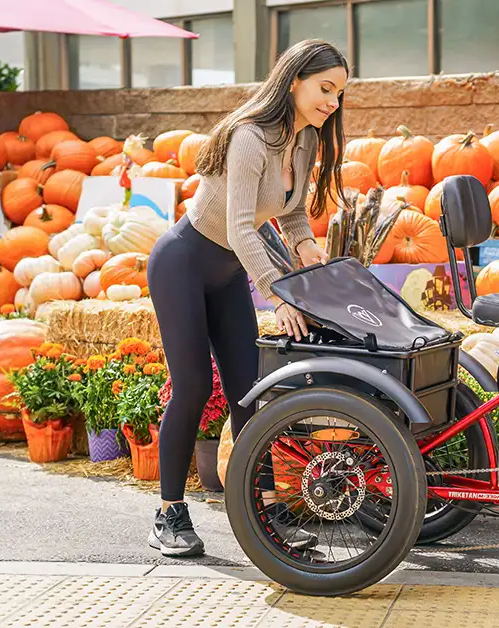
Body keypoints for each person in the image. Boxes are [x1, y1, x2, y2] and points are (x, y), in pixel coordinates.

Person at [145, 39, 349, 557]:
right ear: (294, 81)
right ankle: (169, 514)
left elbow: (292, 212)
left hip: (228, 271)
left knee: (247, 392)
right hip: (184, 264)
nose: (332, 102)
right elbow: (239, 228)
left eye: (339, 94)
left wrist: (308, 251)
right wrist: (277, 297)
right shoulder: (249, 138)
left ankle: (267, 514)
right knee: (191, 387)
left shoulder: (304, 143)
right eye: (325, 89)